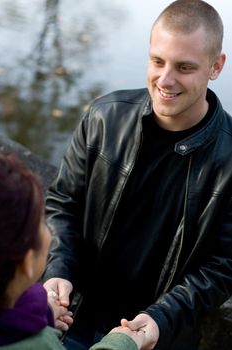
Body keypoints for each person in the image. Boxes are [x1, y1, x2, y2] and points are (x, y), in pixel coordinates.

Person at [43, 0, 232, 349]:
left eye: (185, 67)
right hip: (71, 321)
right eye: (157, 61)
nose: (166, 79)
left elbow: (224, 265)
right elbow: (62, 203)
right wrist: (58, 271)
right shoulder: (104, 117)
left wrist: (161, 318)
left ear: (215, 66)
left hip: (155, 338)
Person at [0, 153, 73, 349]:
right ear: (27, 262)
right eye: (41, 222)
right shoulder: (43, 345)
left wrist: (43, 310)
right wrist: (122, 342)